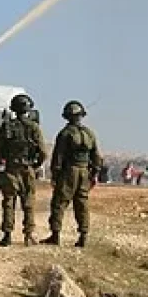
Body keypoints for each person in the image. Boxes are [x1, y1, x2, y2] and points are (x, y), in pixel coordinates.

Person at [45, 100, 102, 248]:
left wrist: (55, 175)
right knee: (82, 204)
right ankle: (83, 235)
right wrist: (94, 173)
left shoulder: (65, 134)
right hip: (85, 172)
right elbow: (96, 156)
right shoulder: (89, 133)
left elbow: (58, 156)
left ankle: (55, 235)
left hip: (69, 171)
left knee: (59, 203)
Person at [0, 93, 47, 247]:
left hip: (11, 168)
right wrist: (35, 165)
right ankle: (28, 235)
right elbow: (43, 151)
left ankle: (7, 235)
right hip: (27, 168)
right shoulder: (34, 127)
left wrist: (3, 160)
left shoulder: (7, 126)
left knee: (9, 202)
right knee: (28, 203)